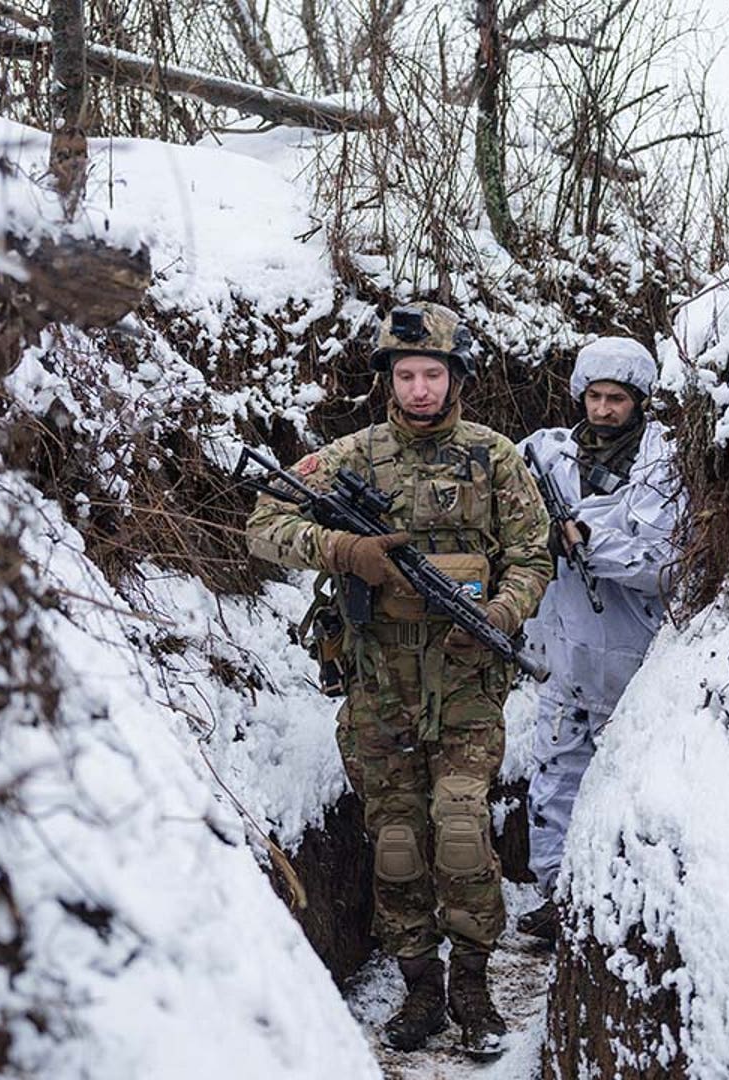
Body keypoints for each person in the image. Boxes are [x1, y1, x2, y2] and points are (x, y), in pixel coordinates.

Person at [246, 302, 554, 1057]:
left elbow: (534, 554)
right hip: (379, 682)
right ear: (390, 378)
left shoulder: (495, 458)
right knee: (393, 840)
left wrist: (505, 613)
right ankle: (420, 989)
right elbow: (264, 525)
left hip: (467, 683)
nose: (420, 388)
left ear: (457, 379)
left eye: (433, 374)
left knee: (457, 827)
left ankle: (473, 987)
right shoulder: (351, 456)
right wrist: (345, 553)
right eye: (407, 374)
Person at [514, 336, 681, 943]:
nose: (604, 409)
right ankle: (556, 896)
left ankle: (608, 900)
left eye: (617, 398)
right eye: (595, 396)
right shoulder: (547, 454)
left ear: (640, 401)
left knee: (621, 783)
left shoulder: (662, 463)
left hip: (631, 656)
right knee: (555, 775)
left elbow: (662, 560)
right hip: (560, 651)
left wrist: (587, 541)